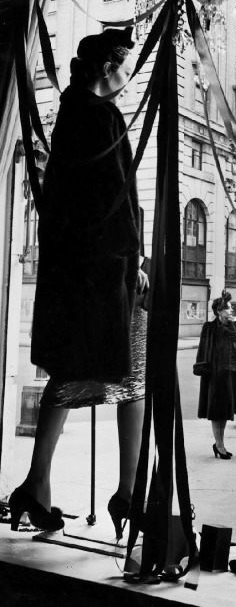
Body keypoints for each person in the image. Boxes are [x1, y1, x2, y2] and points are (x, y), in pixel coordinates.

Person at [9, 27, 148, 539]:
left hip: (77, 270)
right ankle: (127, 493)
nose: (129, 77)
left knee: (71, 373)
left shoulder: (71, 113)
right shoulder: (102, 115)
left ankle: (37, 484)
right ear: (110, 67)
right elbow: (117, 197)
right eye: (125, 66)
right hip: (106, 273)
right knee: (128, 375)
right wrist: (134, 259)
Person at [195, 290, 236, 459]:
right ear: (219, 311)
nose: (231, 310)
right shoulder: (209, 327)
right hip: (215, 375)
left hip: (230, 374)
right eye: (228, 308)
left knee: (225, 411)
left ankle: (220, 444)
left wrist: (232, 327)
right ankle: (219, 444)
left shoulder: (235, 325)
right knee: (216, 410)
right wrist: (204, 369)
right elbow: (203, 350)